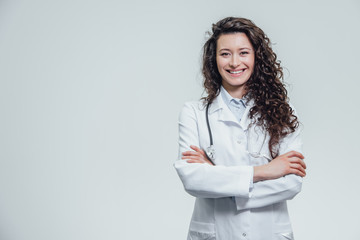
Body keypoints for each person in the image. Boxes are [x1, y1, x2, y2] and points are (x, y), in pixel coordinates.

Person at [174, 17, 307, 240]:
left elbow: (291, 183)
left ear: (257, 57)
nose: (235, 62)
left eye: (243, 52)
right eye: (225, 53)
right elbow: (193, 179)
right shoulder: (194, 113)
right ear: (214, 60)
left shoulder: (283, 111)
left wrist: (217, 177)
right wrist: (264, 171)